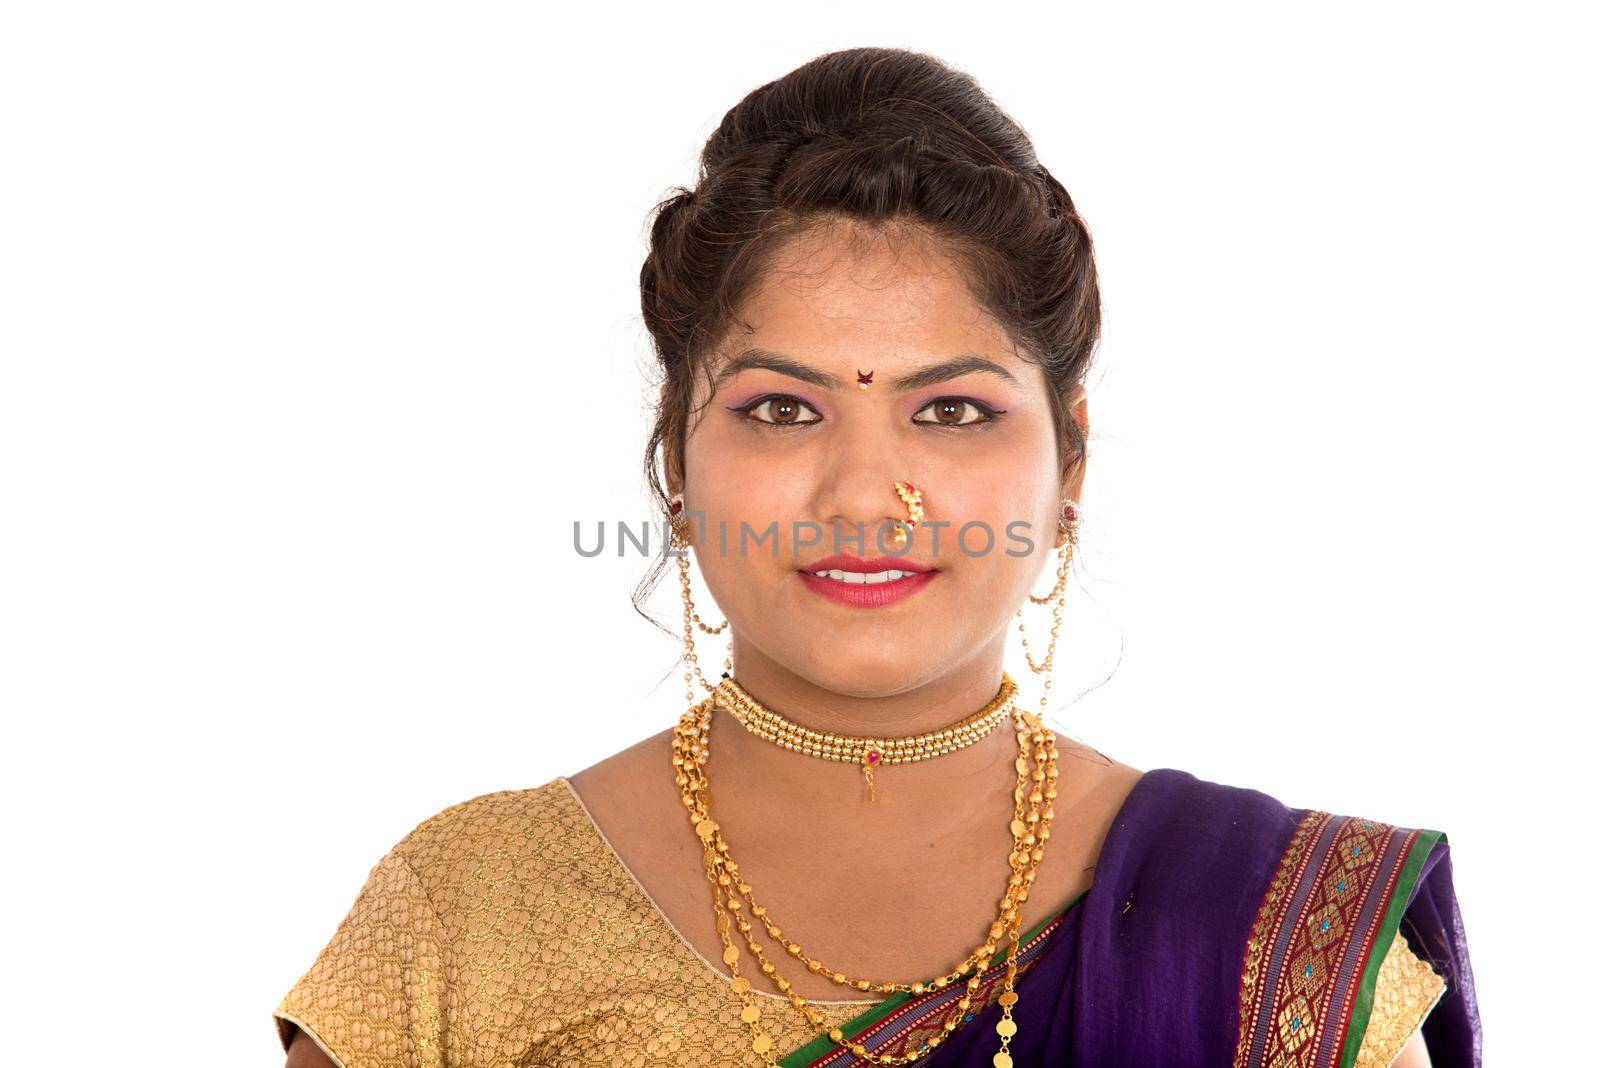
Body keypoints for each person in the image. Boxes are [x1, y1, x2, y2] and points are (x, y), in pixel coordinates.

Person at [272, 46, 1481, 1068]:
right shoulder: (465, 918)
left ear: (1068, 467)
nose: (862, 497)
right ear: (675, 465)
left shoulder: (1268, 936)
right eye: (781, 410)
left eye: (950, 410)